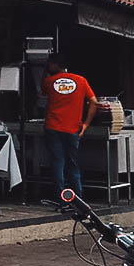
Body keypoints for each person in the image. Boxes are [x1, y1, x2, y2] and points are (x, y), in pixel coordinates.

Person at [42, 54, 98, 199]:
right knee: (72, 163)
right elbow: (94, 102)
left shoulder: (49, 81)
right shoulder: (81, 80)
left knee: (57, 163)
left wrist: (45, 73)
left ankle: (61, 198)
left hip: (53, 127)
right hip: (73, 128)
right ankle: (77, 198)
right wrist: (86, 124)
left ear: (55, 65)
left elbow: (42, 94)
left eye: (50, 64)